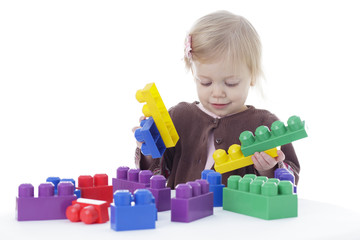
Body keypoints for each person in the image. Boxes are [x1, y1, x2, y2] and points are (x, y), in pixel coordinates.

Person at [133, 10, 300, 189]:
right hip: (183, 214)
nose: (217, 93)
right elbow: (157, 174)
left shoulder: (264, 126)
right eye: (206, 82)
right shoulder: (179, 117)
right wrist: (148, 149)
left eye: (231, 83)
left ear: (252, 76)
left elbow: (290, 182)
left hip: (238, 216)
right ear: (194, 74)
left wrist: (269, 168)